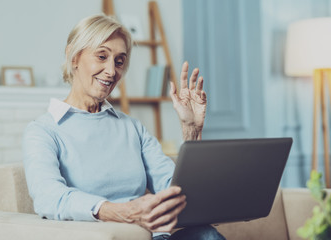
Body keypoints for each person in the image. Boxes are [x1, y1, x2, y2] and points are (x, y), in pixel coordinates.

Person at [22, 14, 225, 240]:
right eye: (102, 56)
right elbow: (48, 197)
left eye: (119, 61)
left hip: (154, 237)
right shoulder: (43, 130)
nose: (111, 71)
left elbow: (176, 192)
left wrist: (191, 132)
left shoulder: (132, 128)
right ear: (73, 56)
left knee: (206, 235)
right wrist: (122, 213)